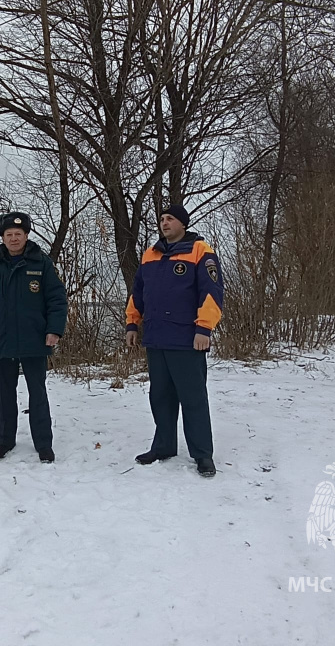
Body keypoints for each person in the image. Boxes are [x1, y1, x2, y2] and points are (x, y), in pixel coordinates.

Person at [125, 204, 224, 477]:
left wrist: (204, 329)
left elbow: (212, 293)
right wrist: (132, 322)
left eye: (170, 219)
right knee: (160, 396)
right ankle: (164, 445)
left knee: (193, 398)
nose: (164, 223)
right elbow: (138, 293)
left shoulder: (200, 251)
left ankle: (203, 455)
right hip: (156, 338)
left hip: (186, 339)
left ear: (182, 223)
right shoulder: (151, 254)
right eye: (161, 219)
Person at [0, 212, 68, 463]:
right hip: (3, 340)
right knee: (5, 394)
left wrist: (54, 330)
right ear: (2, 238)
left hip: (35, 340)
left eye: (18, 234)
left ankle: (44, 444)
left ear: (26, 235)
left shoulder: (41, 263)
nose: (14, 239)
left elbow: (56, 299)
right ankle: (4, 440)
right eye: (9, 235)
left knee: (37, 393)